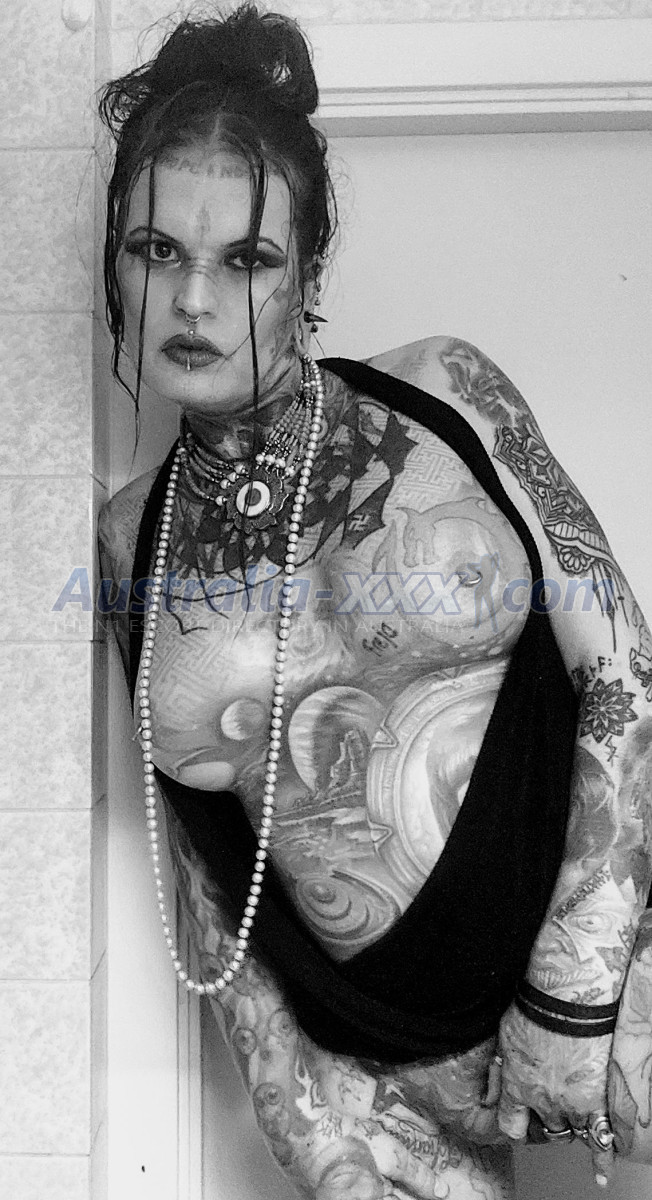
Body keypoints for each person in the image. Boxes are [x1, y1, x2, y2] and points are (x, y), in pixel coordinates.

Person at [97, 5, 652, 1197]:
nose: (192, 300)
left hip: (622, 963)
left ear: (307, 274)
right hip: (387, 1082)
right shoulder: (123, 541)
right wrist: (303, 1116)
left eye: (245, 260)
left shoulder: (444, 390)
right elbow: (209, 871)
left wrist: (575, 988)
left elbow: (621, 667)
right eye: (156, 250)